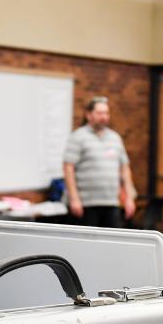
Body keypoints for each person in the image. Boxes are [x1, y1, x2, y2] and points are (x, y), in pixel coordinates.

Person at [62, 96, 136, 228]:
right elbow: (68, 168)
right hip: (86, 204)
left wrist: (129, 197)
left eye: (106, 113)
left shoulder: (115, 137)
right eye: (99, 113)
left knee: (111, 242)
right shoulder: (78, 137)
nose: (104, 117)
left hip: (111, 202)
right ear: (89, 115)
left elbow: (125, 168)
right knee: (86, 246)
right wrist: (74, 198)